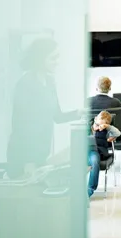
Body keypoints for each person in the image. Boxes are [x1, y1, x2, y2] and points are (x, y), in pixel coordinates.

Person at [6, 38, 81, 179]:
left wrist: (79, 113)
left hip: (41, 152)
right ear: (40, 59)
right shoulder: (26, 83)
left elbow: (57, 117)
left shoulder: (50, 82)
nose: (57, 62)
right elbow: (21, 124)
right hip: (23, 155)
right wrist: (28, 161)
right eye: (53, 58)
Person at [87, 110, 121, 197]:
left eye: (101, 126)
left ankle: (89, 190)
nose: (99, 127)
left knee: (94, 162)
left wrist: (107, 126)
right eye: (98, 125)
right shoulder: (87, 126)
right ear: (95, 119)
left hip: (95, 152)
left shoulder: (106, 131)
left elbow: (118, 133)